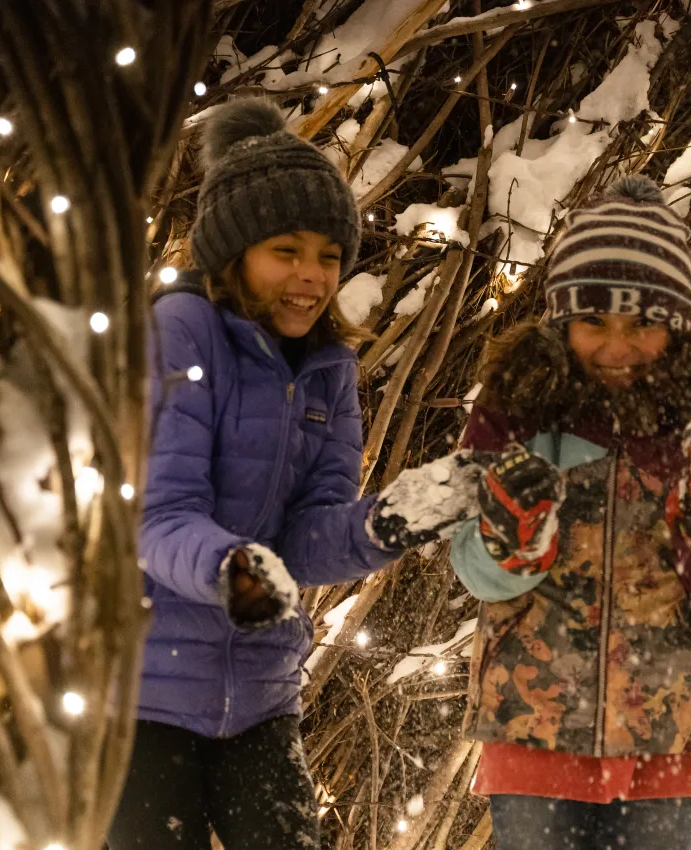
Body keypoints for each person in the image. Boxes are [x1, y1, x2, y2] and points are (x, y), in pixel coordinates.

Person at [109, 98, 470, 850]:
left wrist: (383, 524)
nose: (311, 276)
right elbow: (157, 516)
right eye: (286, 250)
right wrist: (235, 569)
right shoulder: (182, 331)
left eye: (329, 256)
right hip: (146, 695)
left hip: (262, 697)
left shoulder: (330, 368)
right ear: (234, 253)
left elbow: (308, 535)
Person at [448, 176, 691, 850]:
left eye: (642, 324)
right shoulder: (518, 403)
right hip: (531, 729)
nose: (617, 347)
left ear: (676, 326)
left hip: (664, 735)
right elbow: (474, 571)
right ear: (562, 319)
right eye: (594, 322)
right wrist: (512, 540)